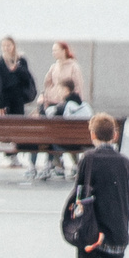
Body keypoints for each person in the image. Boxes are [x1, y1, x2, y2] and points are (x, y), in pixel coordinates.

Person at [68, 113, 129, 258]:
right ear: (115, 135)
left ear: (92, 135)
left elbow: (79, 192)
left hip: (91, 231)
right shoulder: (124, 161)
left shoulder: (88, 159)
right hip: (117, 230)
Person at [35, 42, 86, 182]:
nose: (54, 53)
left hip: (66, 107)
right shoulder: (54, 67)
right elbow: (47, 84)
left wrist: (73, 102)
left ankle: (59, 163)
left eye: (56, 50)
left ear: (64, 51)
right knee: (57, 135)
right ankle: (59, 163)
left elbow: (78, 88)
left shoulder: (73, 67)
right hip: (55, 105)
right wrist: (49, 96)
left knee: (63, 135)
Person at [0, 36, 37, 174]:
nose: (6, 48)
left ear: (14, 46)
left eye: (9, 45)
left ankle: (15, 154)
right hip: (6, 99)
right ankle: (7, 155)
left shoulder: (21, 60)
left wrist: (17, 68)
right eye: (4, 46)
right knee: (6, 127)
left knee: (18, 126)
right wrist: (0, 104)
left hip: (18, 98)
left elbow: (27, 78)